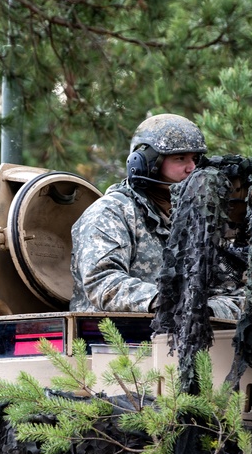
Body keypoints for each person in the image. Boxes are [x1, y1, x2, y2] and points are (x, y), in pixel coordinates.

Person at [69, 113, 214, 314]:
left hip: (184, 338)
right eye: (180, 158)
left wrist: (207, 311)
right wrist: (168, 302)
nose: (192, 168)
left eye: (195, 159)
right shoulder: (111, 213)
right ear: (147, 163)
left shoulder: (196, 218)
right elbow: (102, 282)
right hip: (113, 339)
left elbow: (232, 291)